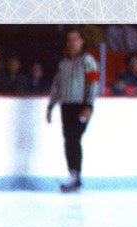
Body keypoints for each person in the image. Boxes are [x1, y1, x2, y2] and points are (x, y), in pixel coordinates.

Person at [47, 28, 101, 192]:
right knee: (69, 139)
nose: (72, 43)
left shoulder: (88, 61)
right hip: (66, 106)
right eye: (69, 40)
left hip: (81, 106)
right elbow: (56, 86)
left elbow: (93, 83)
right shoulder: (63, 64)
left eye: (75, 39)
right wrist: (51, 106)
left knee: (73, 137)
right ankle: (73, 174)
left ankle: (75, 175)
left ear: (82, 41)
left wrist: (88, 106)